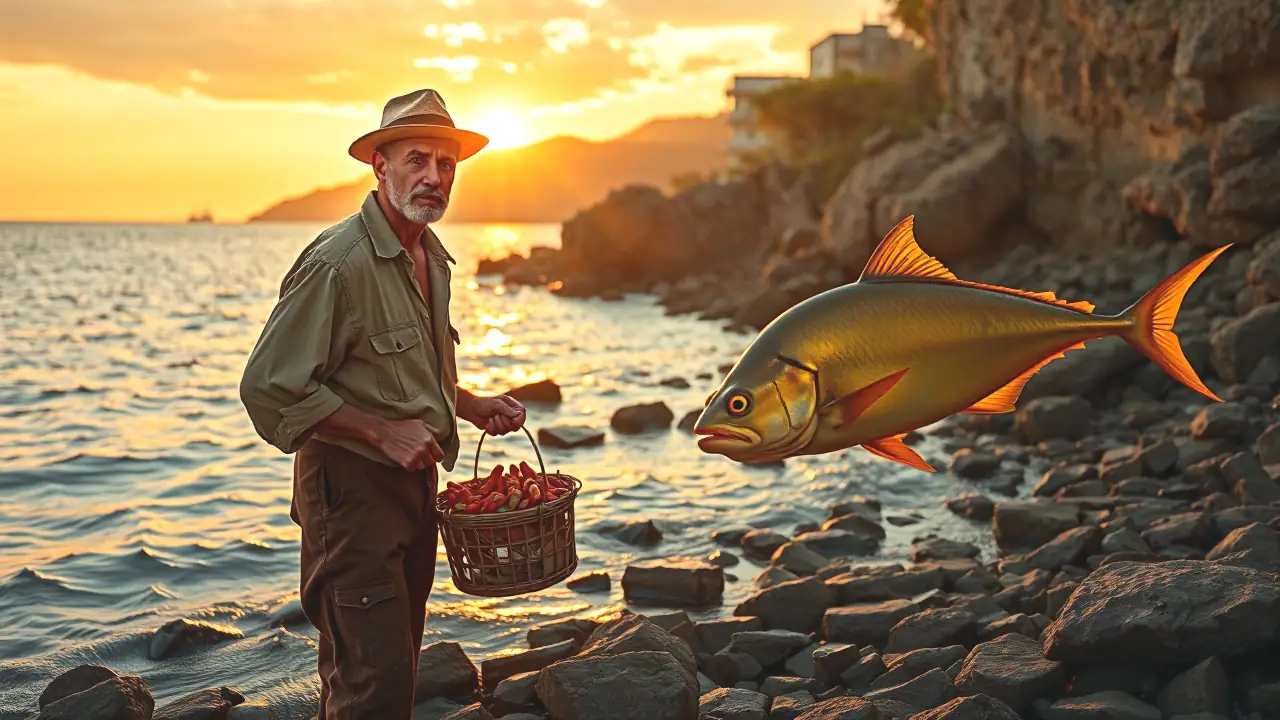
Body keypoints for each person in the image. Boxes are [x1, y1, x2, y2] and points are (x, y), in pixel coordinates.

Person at [238, 88, 527, 718]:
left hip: (413, 489)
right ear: (381, 166)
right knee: (374, 689)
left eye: (445, 164)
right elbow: (268, 386)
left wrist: (470, 404)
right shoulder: (338, 263)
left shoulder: (430, 257)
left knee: (389, 669)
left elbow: (394, 370)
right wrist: (380, 433)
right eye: (416, 159)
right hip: (349, 496)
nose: (433, 177)